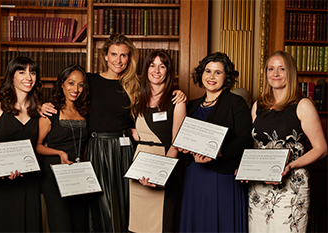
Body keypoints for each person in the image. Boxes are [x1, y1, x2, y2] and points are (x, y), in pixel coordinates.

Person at [40, 34, 186, 232]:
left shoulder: (135, 84)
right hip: (97, 150)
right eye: (114, 54)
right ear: (105, 56)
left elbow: (158, 95)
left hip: (126, 151)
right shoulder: (89, 81)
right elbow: (68, 94)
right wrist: (44, 105)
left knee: (127, 206)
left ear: (130, 58)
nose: (118, 60)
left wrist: (178, 92)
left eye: (124, 55)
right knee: (101, 206)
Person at [247, 50, 327, 232]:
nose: (275, 74)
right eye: (270, 69)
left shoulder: (303, 104)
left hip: (291, 187)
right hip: (259, 188)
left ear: (290, 73)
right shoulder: (258, 106)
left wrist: (290, 166)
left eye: (281, 69)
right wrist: (246, 168)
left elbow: (321, 148)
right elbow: (254, 145)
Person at [178, 52, 252, 232]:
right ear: (201, 74)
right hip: (193, 176)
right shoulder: (191, 105)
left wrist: (218, 153)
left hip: (221, 175)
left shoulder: (236, 102)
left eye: (218, 72)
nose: (211, 76)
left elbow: (245, 140)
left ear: (226, 76)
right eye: (207, 71)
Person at [0, 56, 42, 232]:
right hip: (1, 181)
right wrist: (2, 165)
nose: (28, 77)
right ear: (11, 76)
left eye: (32, 72)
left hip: (28, 182)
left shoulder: (38, 109)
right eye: (22, 72)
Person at [128, 49, 186, 232]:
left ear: (168, 71)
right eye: (152, 65)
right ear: (146, 69)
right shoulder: (138, 99)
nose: (157, 70)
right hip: (140, 164)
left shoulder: (177, 100)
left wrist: (160, 173)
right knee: (137, 224)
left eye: (162, 66)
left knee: (162, 224)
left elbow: (177, 142)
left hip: (164, 163)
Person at [36, 64, 90, 232]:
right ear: (62, 84)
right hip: (54, 174)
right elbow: (36, 146)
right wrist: (58, 152)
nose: (76, 89)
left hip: (78, 174)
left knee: (80, 225)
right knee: (61, 225)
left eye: (80, 84)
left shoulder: (85, 111)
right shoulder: (51, 112)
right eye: (71, 83)